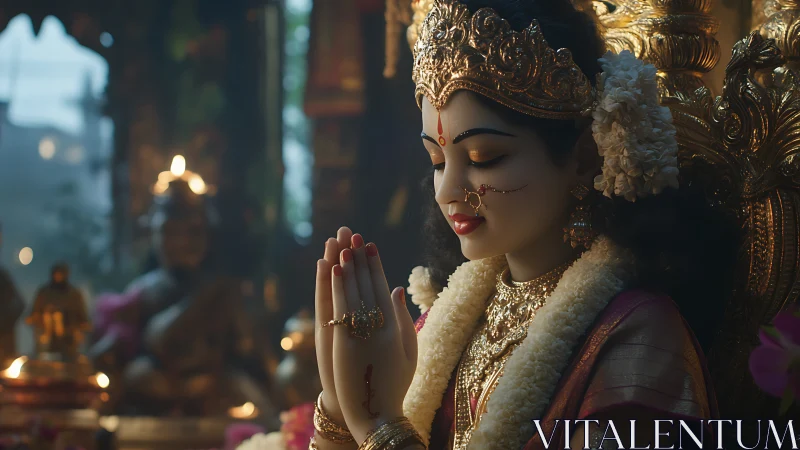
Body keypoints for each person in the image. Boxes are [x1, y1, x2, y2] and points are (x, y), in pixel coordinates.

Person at [309, 0, 738, 449]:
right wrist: (340, 406)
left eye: (484, 158)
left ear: (582, 157)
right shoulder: (448, 325)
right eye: (437, 161)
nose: (446, 190)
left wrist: (380, 427)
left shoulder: (641, 341)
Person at [27, 263, 90, 361]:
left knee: (69, 365)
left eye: (61, 274)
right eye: (56, 273)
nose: (58, 277)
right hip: (46, 340)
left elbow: (83, 319)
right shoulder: (44, 292)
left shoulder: (74, 294)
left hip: (68, 340)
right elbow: (33, 315)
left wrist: (76, 329)